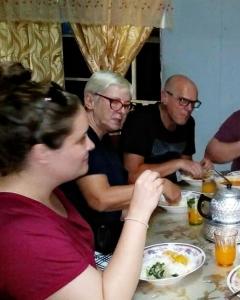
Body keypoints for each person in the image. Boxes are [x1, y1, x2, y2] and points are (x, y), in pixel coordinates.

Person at [0, 62, 163, 299]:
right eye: (79, 140)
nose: (90, 145)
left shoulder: (48, 192)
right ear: (42, 153)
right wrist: (139, 213)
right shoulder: (21, 233)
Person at [60, 71, 181, 254]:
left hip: (111, 234)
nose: (122, 111)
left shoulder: (105, 138)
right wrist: (159, 185)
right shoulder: (82, 141)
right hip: (90, 248)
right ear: (90, 101)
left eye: (126, 105)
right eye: (114, 103)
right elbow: (100, 199)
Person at [121, 74, 211, 183]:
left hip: (173, 189)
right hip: (140, 192)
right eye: (183, 100)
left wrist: (199, 168)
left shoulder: (188, 123)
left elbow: (185, 167)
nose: (189, 108)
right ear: (164, 97)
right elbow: (132, 175)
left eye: (193, 103)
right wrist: (177, 163)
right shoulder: (140, 120)